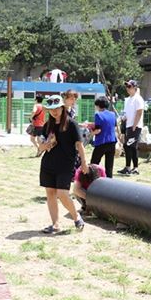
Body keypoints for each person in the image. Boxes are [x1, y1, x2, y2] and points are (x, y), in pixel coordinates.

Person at [37, 94, 88, 234]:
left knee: (63, 194)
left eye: (57, 108)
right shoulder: (48, 125)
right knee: (50, 193)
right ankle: (55, 224)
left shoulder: (72, 124)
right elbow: (40, 146)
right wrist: (44, 145)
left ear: (62, 107)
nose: (54, 111)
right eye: (51, 109)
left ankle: (76, 217)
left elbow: (79, 144)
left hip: (66, 164)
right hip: (48, 164)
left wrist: (84, 162)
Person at [118, 79, 144, 175]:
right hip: (128, 125)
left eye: (129, 87)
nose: (127, 89)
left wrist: (135, 125)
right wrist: (123, 118)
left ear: (134, 87)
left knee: (131, 146)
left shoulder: (138, 98)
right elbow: (127, 113)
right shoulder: (128, 99)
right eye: (127, 87)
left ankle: (135, 168)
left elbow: (139, 112)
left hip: (135, 126)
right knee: (127, 146)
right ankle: (128, 167)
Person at [90, 96, 117, 178]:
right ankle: (109, 182)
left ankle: (92, 179)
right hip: (112, 141)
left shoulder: (98, 115)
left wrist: (90, 134)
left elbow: (98, 130)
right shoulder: (112, 114)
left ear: (98, 105)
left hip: (102, 142)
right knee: (109, 165)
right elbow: (113, 126)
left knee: (94, 163)